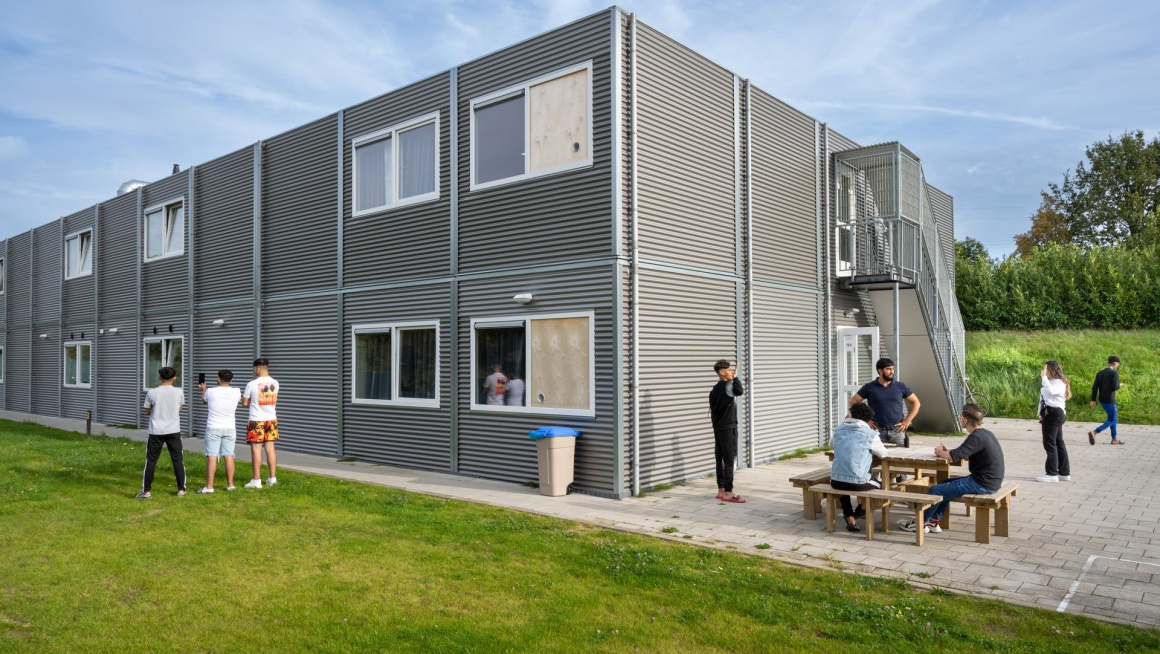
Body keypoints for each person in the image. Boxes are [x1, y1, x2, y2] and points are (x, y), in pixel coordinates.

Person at [900, 403, 1004, 534]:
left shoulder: (976, 437)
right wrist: (947, 452)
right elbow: (960, 452)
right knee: (945, 484)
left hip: (983, 483)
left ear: (966, 420)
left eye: (961, 417)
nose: (960, 419)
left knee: (935, 490)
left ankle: (919, 523)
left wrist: (940, 452)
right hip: (989, 480)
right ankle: (933, 520)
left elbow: (953, 456)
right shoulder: (985, 434)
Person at [830, 402, 887, 532]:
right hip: (858, 483)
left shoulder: (838, 429)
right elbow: (883, 454)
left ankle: (849, 515)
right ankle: (857, 513)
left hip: (835, 481)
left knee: (844, 483)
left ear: (851, 414)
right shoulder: (870, 434)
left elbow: (831, 445)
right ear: (868, 420)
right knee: (883, 487)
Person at [137, 366, 186, 499]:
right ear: (174, 378)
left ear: (160, 377)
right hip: (174, 430)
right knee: (177, 460)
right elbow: (179, 408)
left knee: (151, 460)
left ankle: (146, 491)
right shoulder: (179, 391)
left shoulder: (152, 392)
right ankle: (181, 488)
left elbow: (147, 410)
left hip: (156, 430)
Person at [849, 358, 921, 448]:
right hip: (876, 431)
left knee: (900, 458)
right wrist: (865, 420)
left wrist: (907, 421)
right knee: (875, 460)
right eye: (888, 369)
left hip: (898, 431)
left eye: (892, 369)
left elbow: (916, 403)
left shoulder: (901, 386)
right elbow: (853, 401)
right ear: (880, 371)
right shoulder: (869, 387)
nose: (892, 372)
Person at [196, 369, 242, 494]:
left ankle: (209, 487)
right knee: (229, 456)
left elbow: (204, 401)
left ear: (218, 379)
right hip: (230, 427)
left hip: (213, 427)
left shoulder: (210, 391)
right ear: (231, 380)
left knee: (212, 456)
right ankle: (230, 485)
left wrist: (203, 389)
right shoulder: (237, 391)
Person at [709, 359, 745, 503]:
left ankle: (721, 490)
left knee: (720, 458)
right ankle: (729, 493)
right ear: (722, 372)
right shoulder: (727, 386)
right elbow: (739, 391)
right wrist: (735, 378)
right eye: (729, 370)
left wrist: (733, 377)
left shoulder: (715, 388)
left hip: (718, 428)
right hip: (728, 427)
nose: (731, 372)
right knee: (729, 459)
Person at [243, 358, 280, 489]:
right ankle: (272, 478)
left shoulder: (252, 384)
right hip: (271, 419)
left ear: (258, 368)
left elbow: (245, 403)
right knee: (270, 448)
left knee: (256, 449)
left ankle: (256, 479)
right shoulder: (275, 383)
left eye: (254, 368)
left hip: (256, 420)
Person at [1038, 360, 1072, 483]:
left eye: (1045, 369)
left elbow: (1051, 391)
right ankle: (1064, 473)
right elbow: (1043, 399)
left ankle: (1052, 473)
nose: (1043, 371)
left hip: (1054, 413)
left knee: (1050, 443)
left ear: (1051, 370)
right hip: (1050, 413)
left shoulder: (1058, 383)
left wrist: (1044, 378)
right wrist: (1040, 414)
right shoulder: (1051, 382)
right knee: (1058, 442)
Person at [1089, 355, 1125, 445]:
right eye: (1118, 364)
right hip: (1110, 399)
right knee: (1112, 419)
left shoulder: (1100, 373)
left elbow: (1094, 387)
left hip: (1102, 399)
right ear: (1115, 363)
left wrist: (1093, 399)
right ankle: (1094, 432)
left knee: (1113, 418)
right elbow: (1115, 387)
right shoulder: (1114, 373)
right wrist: (1119, 385)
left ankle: (1114, 439)